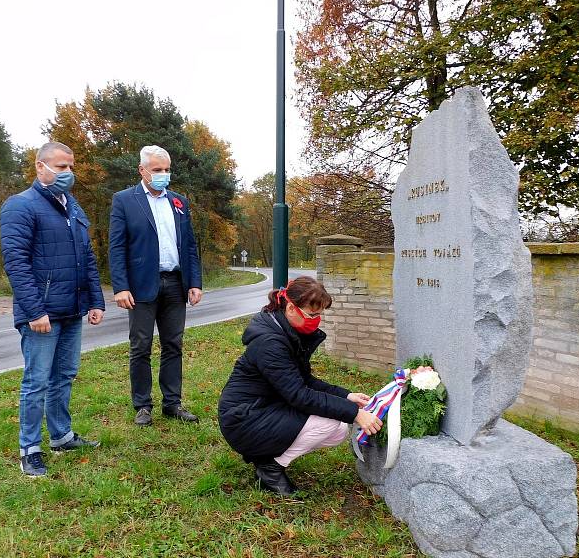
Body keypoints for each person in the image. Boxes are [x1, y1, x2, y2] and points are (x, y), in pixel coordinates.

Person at [218, 276, 383, 496]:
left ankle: (268, 456)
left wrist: (347, 396)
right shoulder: (270, 343)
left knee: (338, 430)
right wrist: (354, 413)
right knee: (331, 424)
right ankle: (270, 468)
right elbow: (299, 395)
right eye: (312, 315)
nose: (317, 321)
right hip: (243, 420)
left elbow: (305, 381)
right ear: (291, 308)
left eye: (319, 315)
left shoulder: (286, 331)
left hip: (264, 408)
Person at [0, 141, 105, 477]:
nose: (68, 173)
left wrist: (95, 300)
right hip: (41, 314)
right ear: (39, 167)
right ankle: (29, 449)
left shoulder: (72, 206)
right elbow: (16, 263)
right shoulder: (20, 206)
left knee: (64, 377)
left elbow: (86, 257)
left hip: (72, 309)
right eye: (61, 167)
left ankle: (61, 436)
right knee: (37, 381)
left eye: (71, 166)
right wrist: (34, 311)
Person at [108, 145, 202, 426]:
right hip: (140, 287)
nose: (163, 174)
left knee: (174, 344)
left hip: (175, 283)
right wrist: (120, 287)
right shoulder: (125, 200)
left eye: (166, 169)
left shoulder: (179, 202)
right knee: (141, 346)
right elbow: (116, 247)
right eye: (157, 169)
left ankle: (172, 403)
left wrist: (194, 282)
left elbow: (189, 245)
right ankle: (143, 405)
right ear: (142, 170)